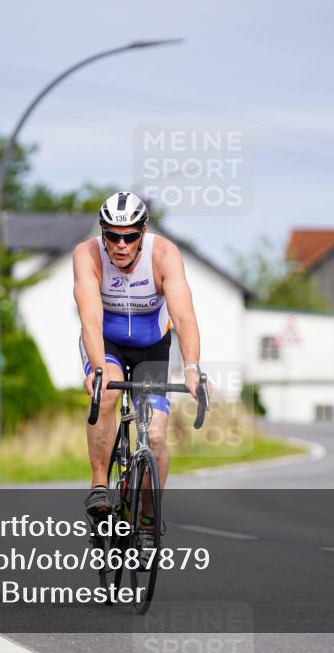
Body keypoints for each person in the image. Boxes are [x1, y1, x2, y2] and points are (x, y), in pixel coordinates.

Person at [72, 191, 206, 535]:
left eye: (129, 236)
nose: (120, 244)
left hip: (152, 347)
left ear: (142, 233)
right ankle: (100, 482)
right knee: (108, 394)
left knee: (157, 436)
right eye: (112, 236)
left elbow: (184, 314)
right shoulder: (87, 255)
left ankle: (148, 516)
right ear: (103, 233)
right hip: (108, 343)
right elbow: (89, 316)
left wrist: (192, 368)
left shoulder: (164, 255)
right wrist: (98, 369)